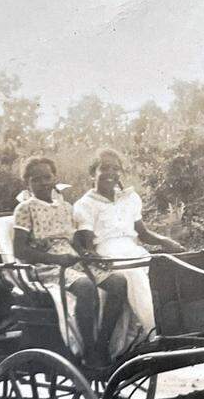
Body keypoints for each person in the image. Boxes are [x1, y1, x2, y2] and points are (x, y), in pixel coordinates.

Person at [11, 156, 126, 367]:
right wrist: (55, 259)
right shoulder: (25, 209)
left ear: (55, 178)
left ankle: (103, 343)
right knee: (85, 286)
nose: (44, 183)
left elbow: (74, 241)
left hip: (72, 260)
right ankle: (89, 351)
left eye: (47, 177)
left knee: (118, 282)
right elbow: (19, 250)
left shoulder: (65, 207)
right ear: (27, 183)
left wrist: (90, 255)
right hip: (45, 266)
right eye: (37, 180)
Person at [72, 148, 185, 352]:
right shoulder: (85, 204)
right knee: (133, 274)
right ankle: (155, 333)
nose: (110, 173)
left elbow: (142, 233)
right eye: (104, 168)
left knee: (166, 268)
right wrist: (95, 258)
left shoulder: (129, 199)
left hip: (132, 250)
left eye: (116, 168)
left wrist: (165, 241)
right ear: (92, 173)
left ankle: (175, 326)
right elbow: (88, 245)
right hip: (107, 253)